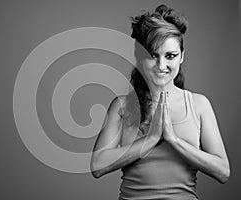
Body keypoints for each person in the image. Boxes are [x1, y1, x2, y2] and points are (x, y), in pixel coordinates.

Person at [90, 4, 230, 200]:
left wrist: (173, 139)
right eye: (152, 56)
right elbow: (97, 166)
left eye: (170, 56)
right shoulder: (121, 106)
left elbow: (223, 172)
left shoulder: (199, 104)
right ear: (139, 58)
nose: (161, 65)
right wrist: (151, 139)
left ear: (182, 56)